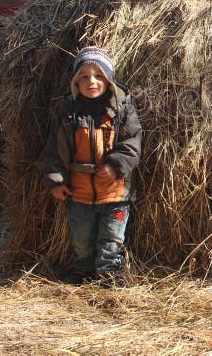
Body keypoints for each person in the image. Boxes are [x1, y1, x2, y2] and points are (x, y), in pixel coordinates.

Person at [41, 46, 142, 285]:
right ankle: (82, 270)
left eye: (98, 76)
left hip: (115, 192)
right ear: (76, 82)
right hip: (79, 192)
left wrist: (116, 166)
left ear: (108, 80)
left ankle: (108, 275)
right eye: (84, 77)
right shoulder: (69, 111)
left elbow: (133, 142)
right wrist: (56, 181)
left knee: (112, 238)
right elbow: (55, 149)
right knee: (81, 238)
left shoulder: (122, 108)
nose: (91, 82)